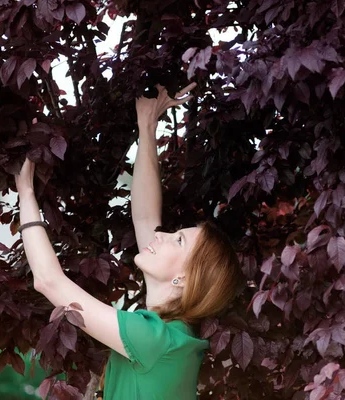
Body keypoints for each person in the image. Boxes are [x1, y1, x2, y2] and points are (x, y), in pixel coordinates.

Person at [14, 83, 243, 399]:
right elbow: (147, 219)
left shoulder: (156, 339)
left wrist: (26, 194)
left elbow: (49, 282)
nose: (160, 236)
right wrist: (147, 125)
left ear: (184, 278)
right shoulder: (173, 338)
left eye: (177, 241)